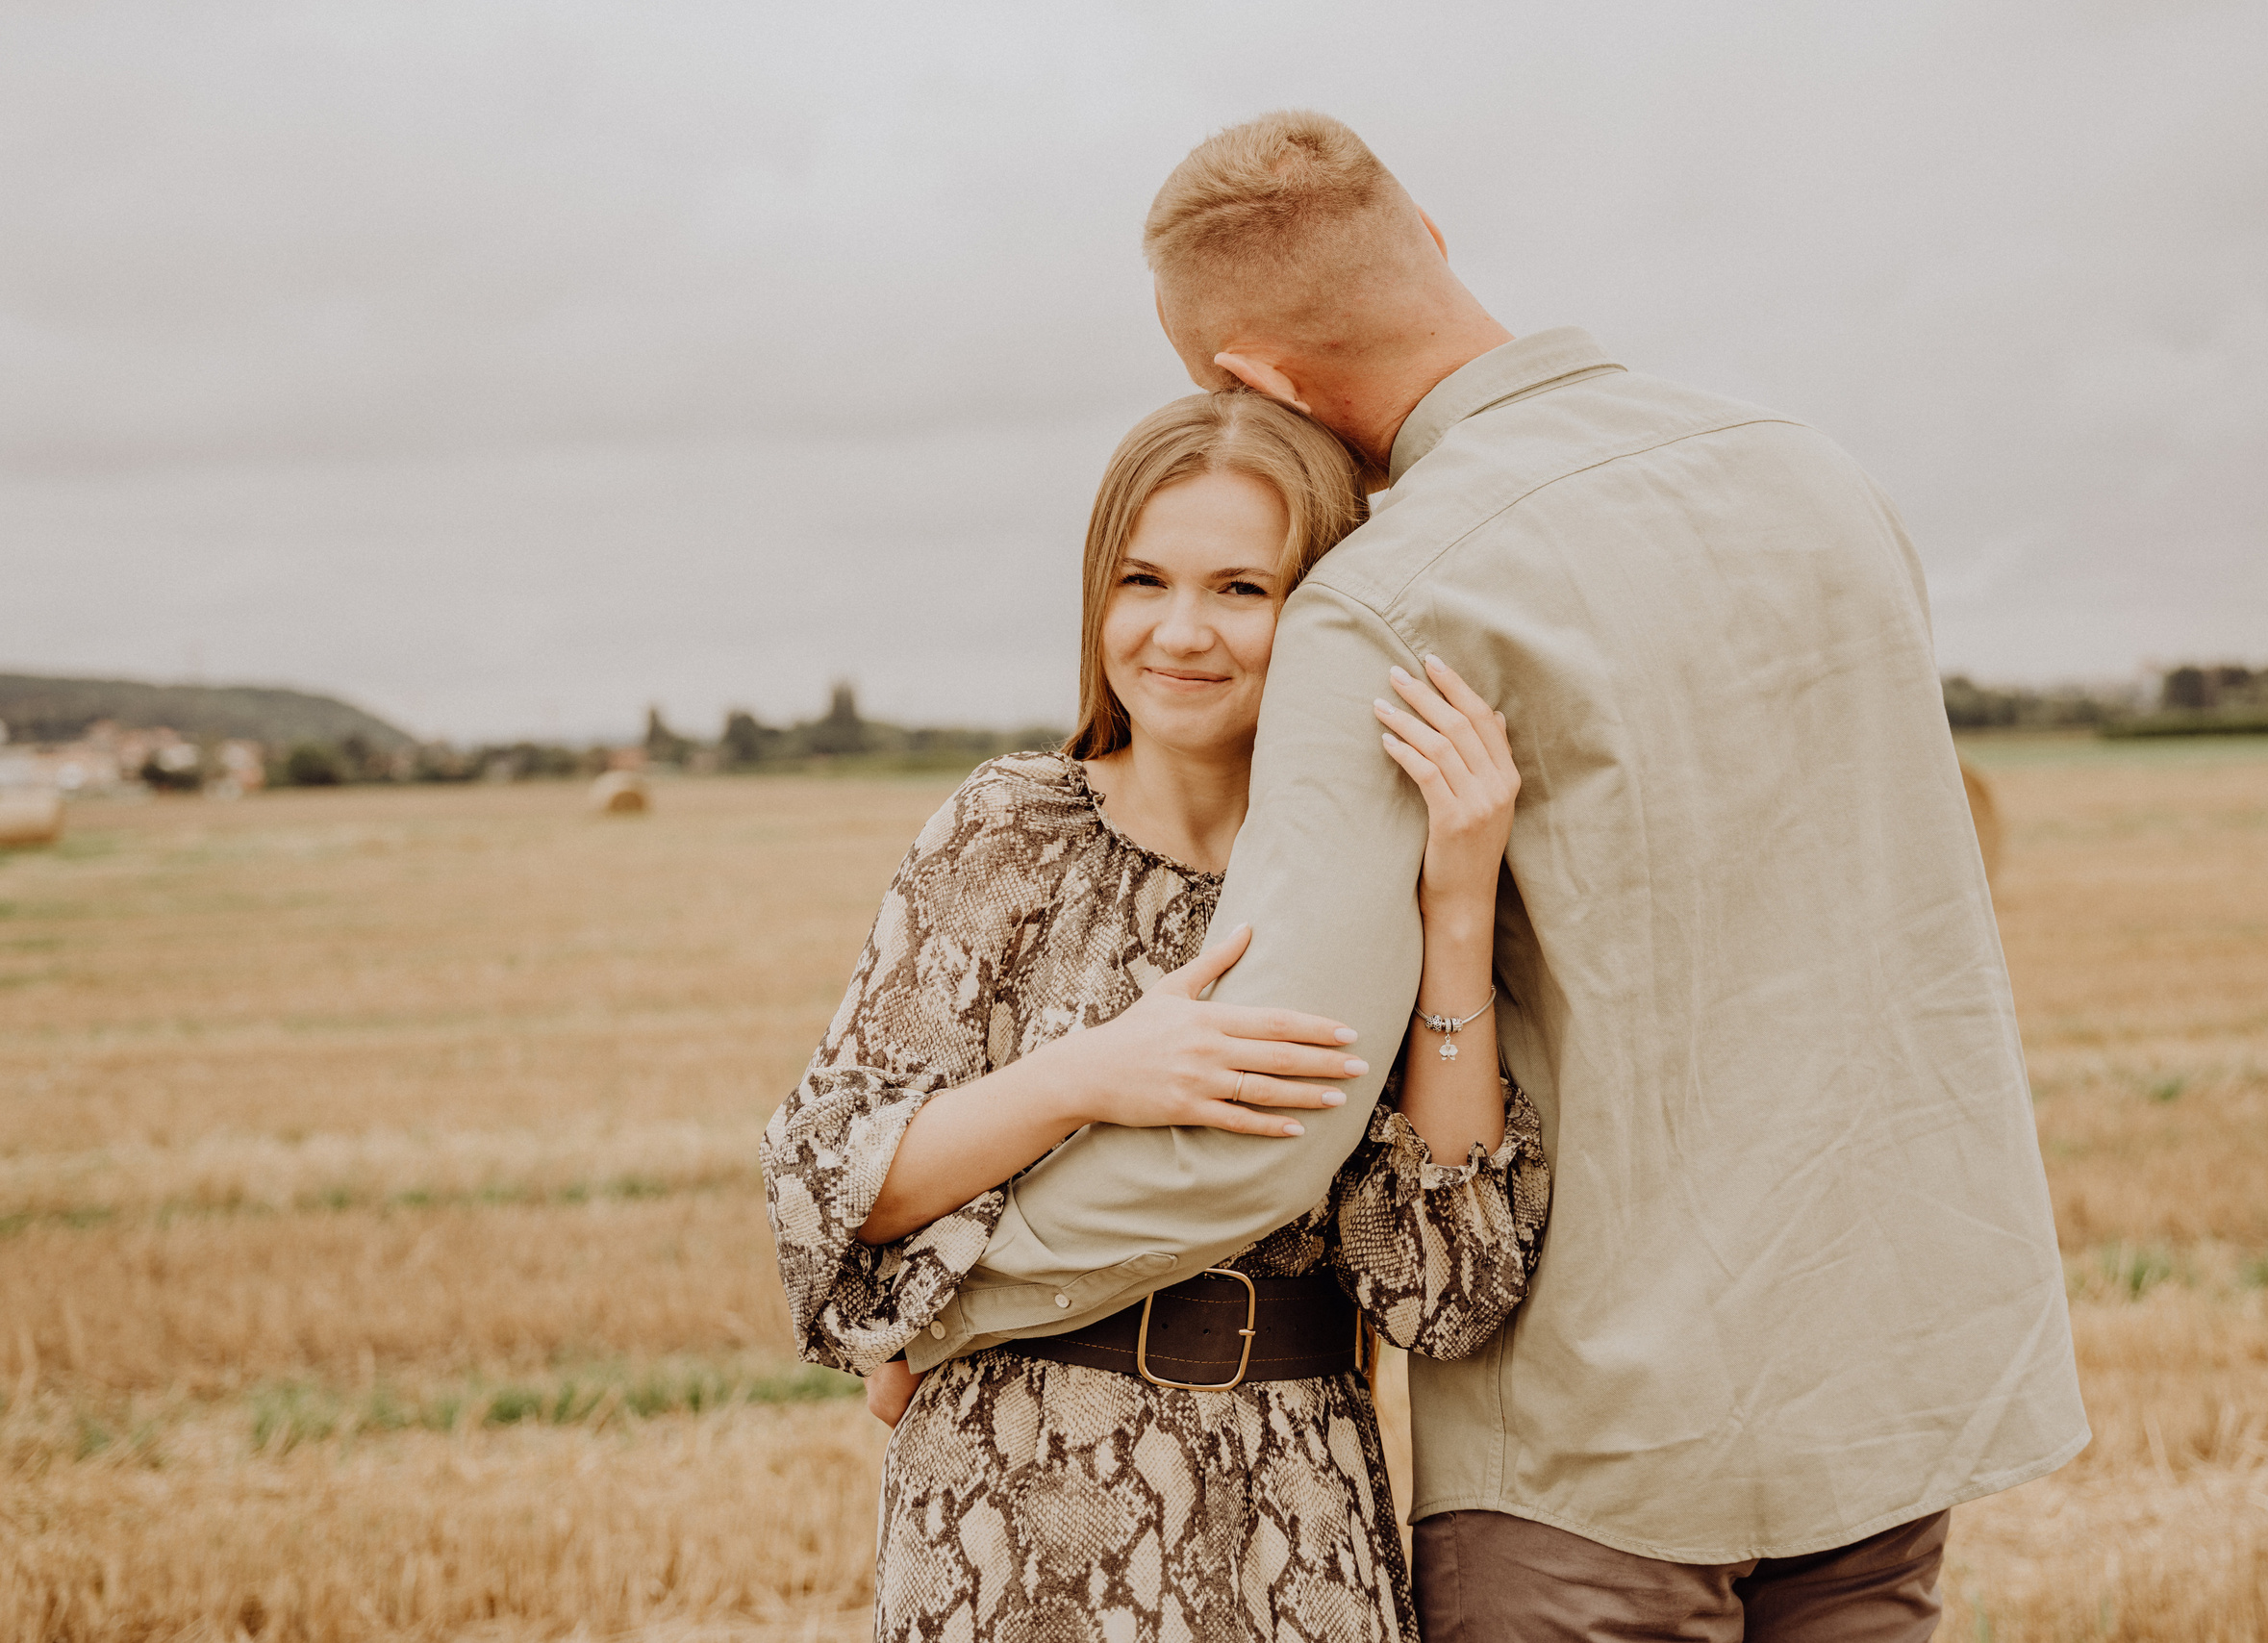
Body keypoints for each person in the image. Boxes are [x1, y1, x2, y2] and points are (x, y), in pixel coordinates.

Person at [903, 112, 2090, 1641]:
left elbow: (1269, 1114)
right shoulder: (1819, 479)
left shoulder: (1395, 595)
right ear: (1434, 244)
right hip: (1893, 1398)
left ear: (1257, 388)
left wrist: (945, 1299)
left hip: (1601, 1458)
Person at [764, 390, 1550, 1642]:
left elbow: (1443, 1286)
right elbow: (828, 1190)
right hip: (1011, 1499)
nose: (1181, 633)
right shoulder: (1009, 831)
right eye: (1143, 580)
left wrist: (1454, 904)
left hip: (1294, 1508)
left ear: (1325, 611)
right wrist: (1091, 1074)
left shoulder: (1366, 883)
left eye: (1242, 589)